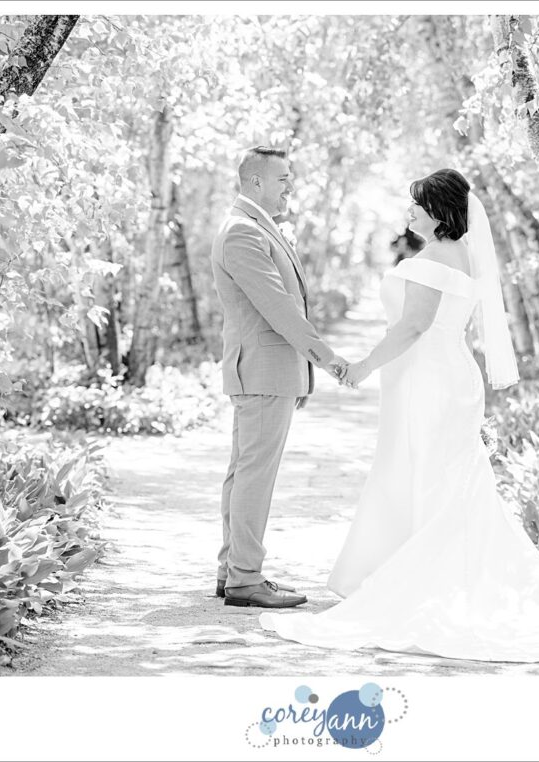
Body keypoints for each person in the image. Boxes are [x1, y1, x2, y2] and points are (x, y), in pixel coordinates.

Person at [259, 168, 539, 661]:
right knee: (444, 477)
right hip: (445, 373)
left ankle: (423, 585)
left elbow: (413, 326)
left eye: (416, 205)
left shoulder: (435, 259)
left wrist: (363, 367)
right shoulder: (464, 256)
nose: (409, 212)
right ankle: (434, 574)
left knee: (428, 474)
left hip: (427, 380)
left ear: (439, 212)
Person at [210, 146, 349, 609]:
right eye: (283, 178)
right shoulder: (242, 232)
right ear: (255, 182)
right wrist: (327, 359)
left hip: (269, 372)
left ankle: (233, 569)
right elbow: (279, 307)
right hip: (262, 372)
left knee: (244, 473)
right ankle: (245, 579)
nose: (291, 186)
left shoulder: (257, 227)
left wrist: (303, 369)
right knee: (253, 476)